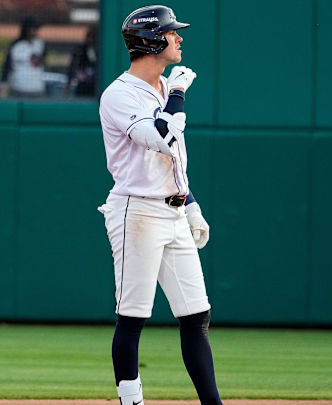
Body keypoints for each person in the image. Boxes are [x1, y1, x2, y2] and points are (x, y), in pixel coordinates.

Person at [98, 6, 221, 405]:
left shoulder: (164, 89)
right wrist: (181, 93)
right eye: (171, 32)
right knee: (133, 318)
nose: (179, 38)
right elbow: (160, 137)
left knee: (196, 315)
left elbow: (176, 158)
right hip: (138, 211)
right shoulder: (119, 93)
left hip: (172, 210)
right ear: (152, 40)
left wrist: (191, 204)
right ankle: (131, 401)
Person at [0, 16, 45, 97]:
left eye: (36, 29)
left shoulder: (40, 44)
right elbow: (7, 66)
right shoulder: (16, 45)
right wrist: (3, 84)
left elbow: (43, 62)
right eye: (33, 29)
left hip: (37, 88)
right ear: (26, 30)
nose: (35, 32)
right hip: (20, 87)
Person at [67, 25, 98, 97]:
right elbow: (73, 65)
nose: (90, 40)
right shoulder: (80, 50)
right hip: (82, 84)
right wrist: (69, 80)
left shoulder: (98, 49)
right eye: (89, 37)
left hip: (94, 84)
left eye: (93, 37)